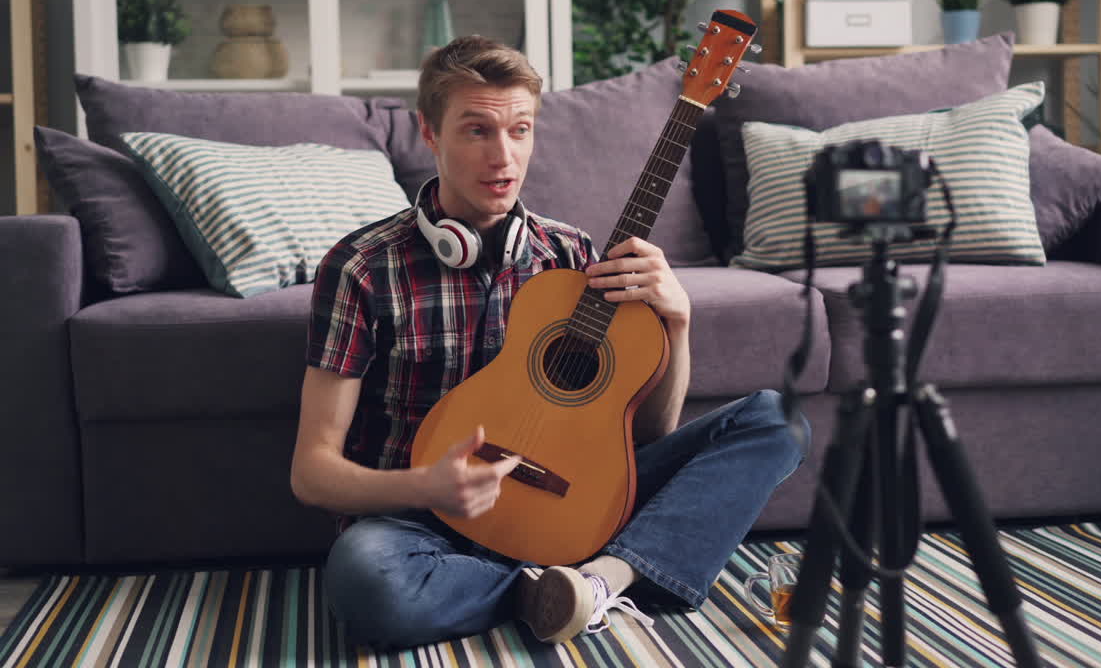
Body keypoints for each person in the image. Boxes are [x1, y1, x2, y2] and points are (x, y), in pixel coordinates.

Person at [290, 34, 810, 649]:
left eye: (520, 130)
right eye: (477, 130)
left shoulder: (573, 256)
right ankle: (561, 586)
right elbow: (312, 473)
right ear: (429, 134)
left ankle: (599, 579)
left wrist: (677, 322)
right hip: (423, 520)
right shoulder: (361, 267)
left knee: (777, 419)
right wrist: (426, 485)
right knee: (365, 584)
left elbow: (646, 436)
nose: (502, 156)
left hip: (575, 495)